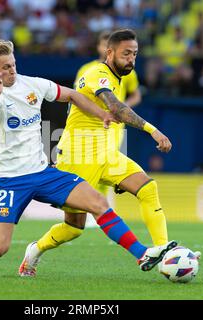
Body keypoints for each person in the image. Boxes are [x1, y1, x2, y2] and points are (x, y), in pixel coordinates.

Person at [0, 39, 177, 277]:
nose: (12, 70)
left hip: (42, 172)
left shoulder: (33, 85)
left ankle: (142, 254)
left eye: (13, 64)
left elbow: (71, 95)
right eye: (5, 67)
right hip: (9, 180)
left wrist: (102, 114)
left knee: (97, 202)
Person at [19, 29, 179, 277]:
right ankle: (35, 249)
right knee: (74, 227)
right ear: (109, 52)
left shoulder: (121, 76)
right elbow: (116, 107)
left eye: (135, 54)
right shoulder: (95, 73)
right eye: (126, 54)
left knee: (148, 189)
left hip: (106, 153)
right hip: (77, 156)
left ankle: (163, 252)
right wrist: (152, 130)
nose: (131, 59)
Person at [74, 30, 142, 227]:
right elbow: (78, 96)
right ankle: (88, 207)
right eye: (104, 45)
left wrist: (123, 108)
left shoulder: (128, 71)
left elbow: (136, 95)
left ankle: (100, 209)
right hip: (91, 123)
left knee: (107, 162)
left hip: (114, 125)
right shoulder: (87, 69)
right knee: (91, 165)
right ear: (101, 48)